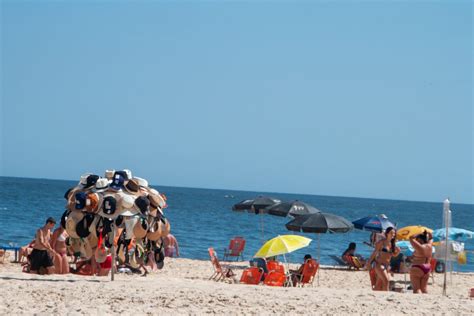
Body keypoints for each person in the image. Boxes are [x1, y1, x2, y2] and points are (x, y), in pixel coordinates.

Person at [366, 227, 400, 291]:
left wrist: (398, 252)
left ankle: (375, 296)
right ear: (387, 233)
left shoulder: (393, 244)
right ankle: (386, 296)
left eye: (394, 233)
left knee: (379, 284)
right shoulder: (382, 242)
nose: (393, 234)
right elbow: (375, 252)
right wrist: (369, 262)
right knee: (386, 281)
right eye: (391, 233)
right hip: (379, 265)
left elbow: (393, 255)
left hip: (387, 266)